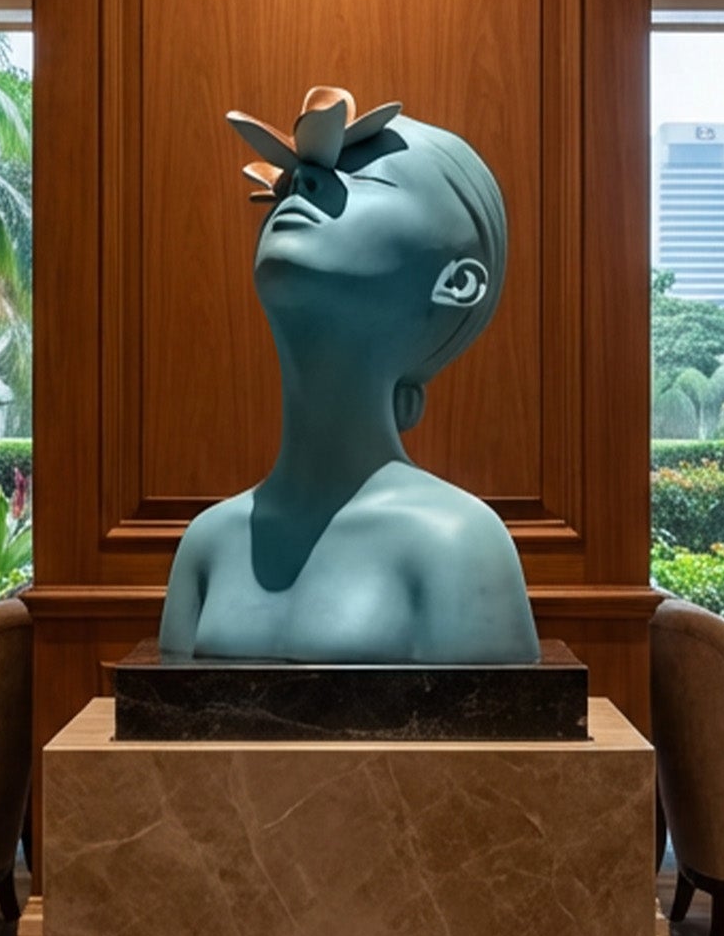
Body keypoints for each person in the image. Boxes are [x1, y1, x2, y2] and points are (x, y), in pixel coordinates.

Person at [159, 89, 540, 664]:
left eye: (361, 177)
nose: (303, 182)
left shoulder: (460, 545)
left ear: (457, 282)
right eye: (295, 177)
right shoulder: (208, 545)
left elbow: (490, 755)